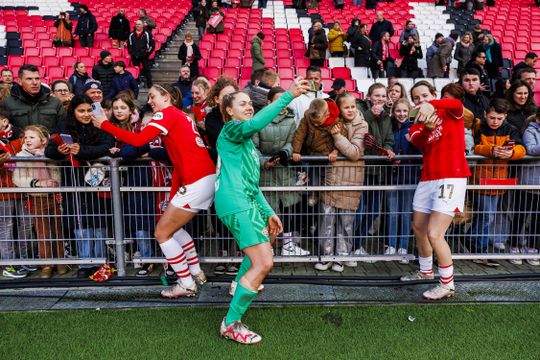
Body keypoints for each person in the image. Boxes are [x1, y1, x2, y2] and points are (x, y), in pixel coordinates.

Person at [92, 84, 216, 297]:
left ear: (166, 97)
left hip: (197, 180)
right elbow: (179, 160)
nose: (149, 101)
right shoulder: (182, 116)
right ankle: (196, 273)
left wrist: (105, 124)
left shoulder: (166, 114)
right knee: (174, 229)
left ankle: (186, 282)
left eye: (152, 96)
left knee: (161, 232)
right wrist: (175, 192)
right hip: (203, 178)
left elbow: (139, 140)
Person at [216, 78, 309, 344]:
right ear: (229, 112)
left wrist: (269, 211)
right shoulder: (232, 129)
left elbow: (252, 185)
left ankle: (238, 284)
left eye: (249, 104)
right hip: (235, 202)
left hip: (243, 199)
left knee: (267, 241)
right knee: (265, 262)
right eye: (242, 103)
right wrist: (287, 96)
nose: (248, 107)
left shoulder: (244, 142)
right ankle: (231, 323)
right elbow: (256, 124)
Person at [400, 80, 471, 300]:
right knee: (419, 227)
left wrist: (434, 104)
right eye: (417, 98)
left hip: (451, 176)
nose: (421, 101)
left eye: (425, 96)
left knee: (435, 233)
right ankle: (424, 270)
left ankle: (447, 284)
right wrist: (427, 128)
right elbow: (418, 141)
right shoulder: (416, 124)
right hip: (428, 179)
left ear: (433, 94)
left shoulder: (449, 110)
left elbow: (457, 104)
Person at [45, 95, 115, 278]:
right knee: (80, 222)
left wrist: (82, 151)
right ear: (73, 111)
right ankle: (85, 263)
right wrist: (59, 151)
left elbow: (108, 146)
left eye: (89, 110)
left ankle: (99, 261)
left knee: (99, 221)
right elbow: (49, 150)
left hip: (97, 181)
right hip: (73, 182)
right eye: (81, 111)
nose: (86, 114)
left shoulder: (101, 124)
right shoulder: (63, 126)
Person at [315, 92, 369, 271]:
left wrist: (337, 137)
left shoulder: (362, 125)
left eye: (353, 106)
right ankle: (326, 255)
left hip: (351, 179)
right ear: (339, 108)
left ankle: (342, 257)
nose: (351, 110)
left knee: (346, 222)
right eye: (346, 107)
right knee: (326, 219)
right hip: (331, 178)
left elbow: (354, 152)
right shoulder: (330, 123)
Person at [470, 99, 526, 261]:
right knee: (487, 216)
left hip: (500, 180)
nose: (495, 122)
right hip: (480, 179)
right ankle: (478, 247)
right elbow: (474, 147)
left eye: (499, 118)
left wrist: (512, 153)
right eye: (492, 117)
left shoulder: (511, 129)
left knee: (488, 216)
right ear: (486, 114)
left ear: (505, 117)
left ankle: (475, 244)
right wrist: (491, 150)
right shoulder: (478, 128)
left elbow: (522, 148)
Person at [13, 125, 65, 279]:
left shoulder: (50, 154)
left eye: (32, 137)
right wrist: (37, 183)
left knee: (57, 230)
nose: (27, 140)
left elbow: (57, 172)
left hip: (54, 197)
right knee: (43, 232)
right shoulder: (21, 156)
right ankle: (47, 264)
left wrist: (55, 182)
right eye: (26, 137)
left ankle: (61, 262)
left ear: (43, 141)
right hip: (37, 197)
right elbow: (17, 178)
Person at [355, 83, 395, 259]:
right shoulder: (361, 111)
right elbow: (358, 127)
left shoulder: (387, 117)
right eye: (376, 96)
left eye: (382, 96)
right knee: (360, 210)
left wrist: (387, 149)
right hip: (363, 170)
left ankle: (359, 243)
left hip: (379, 170)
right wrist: (371, 114)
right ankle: (353, 245)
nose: (379, 99)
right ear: (369, 97)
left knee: (372, 211)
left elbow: (389, 139)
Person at [386, 98, 419, 263]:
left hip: (409, 174)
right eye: (398, 111)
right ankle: (391, 245)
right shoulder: (389, 127)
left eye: (405, 111)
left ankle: (403, 246)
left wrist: (413, 141)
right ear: (393, 112)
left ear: (409, 112)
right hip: (393, 174)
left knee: (406, 213)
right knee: (393, 212)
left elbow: (420, 149)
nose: (401, 114)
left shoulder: (413, 128)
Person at [0, 110, 30, 279]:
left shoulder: (18, 138)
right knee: (6, 228)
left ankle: (25, 260)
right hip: (3, 192)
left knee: (26, 224)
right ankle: (9, 264)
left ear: (4, 121)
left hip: (22, 188)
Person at [4, 64, 65, 132]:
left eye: (37, 78)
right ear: (19, 81)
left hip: (49, 142)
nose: (35, 82)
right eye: (29, 79)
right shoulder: (7, 103)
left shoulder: (55, 102)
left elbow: (62, 129)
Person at [517, 108, 540, 265]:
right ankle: (514, 246)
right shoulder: (530, 131)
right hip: (529, 181)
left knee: (537, 218)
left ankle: (532, 247)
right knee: (521, 214)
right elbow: (530, 149)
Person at [128, 20, 155, 88]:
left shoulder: (147, 34)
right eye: (136, 24)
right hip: (135, 56)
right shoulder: (131, 34)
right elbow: (129, 45)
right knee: (136, 70)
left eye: (139, 24)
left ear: (143, 25)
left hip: (144, 56)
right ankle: (136, 84)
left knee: (147, 69)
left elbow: (152, 45)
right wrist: (131, 53)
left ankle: (149, 84)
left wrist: (147, 53)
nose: (137, 25)